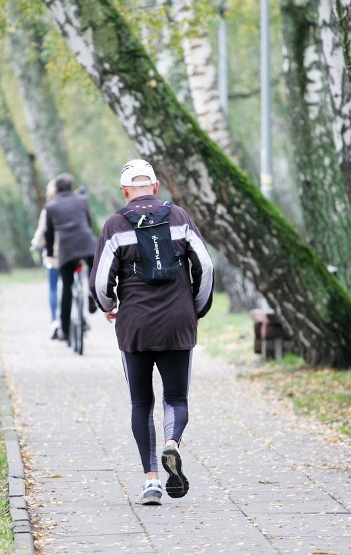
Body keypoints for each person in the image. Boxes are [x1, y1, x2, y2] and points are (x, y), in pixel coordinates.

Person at [90, 159, 214, 506]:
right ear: (156, 188)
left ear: (125, 192)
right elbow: (205, 266)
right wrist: (196, 309)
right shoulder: (179, 218)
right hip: (177, 322)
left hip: (136, 326)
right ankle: (172, 444)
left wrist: (108, 305)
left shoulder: (115, 224)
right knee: (175, 398)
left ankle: (151, 483)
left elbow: (101, 282)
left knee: (141, 402)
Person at [44, 173, 98, 343]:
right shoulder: (82, 200)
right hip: (87, 243)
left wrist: (50, 251)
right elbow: (88, 223)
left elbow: (49, 233)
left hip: (67, 249)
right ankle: (91, 294)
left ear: (57, 189)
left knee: (66, 288)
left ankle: (65, 332)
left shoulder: (50, 207)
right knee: (93, 268)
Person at [30, 178, 61, 339]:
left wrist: (35, 243)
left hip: (54, 255)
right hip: (74, 253)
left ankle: (55, 321)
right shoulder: (74, 204)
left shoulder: (48, 209)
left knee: (54, 289)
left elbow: (42, 231)